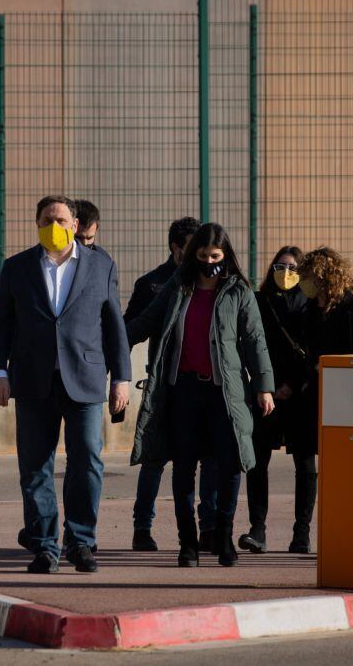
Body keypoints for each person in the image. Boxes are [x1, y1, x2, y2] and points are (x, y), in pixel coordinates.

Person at [0, 195, 130, 574]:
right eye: (48, 219)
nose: (56, 225)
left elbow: (114, 326)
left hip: (84, 379)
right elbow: (0, 323)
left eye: (63, 219)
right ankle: (45, 546)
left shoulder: (102, 266)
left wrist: (122, 378)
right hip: (32, 380)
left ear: (76, 224)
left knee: (87, 461)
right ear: (37, 223)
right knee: (35, 467)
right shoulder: (17, 267)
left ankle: (81, 542)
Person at [126, 222, 275, 568]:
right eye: (204, 256)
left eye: (216, 256)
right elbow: (144, 322)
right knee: (183, 467)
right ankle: (187, 542)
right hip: (184, 390)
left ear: (226, 256)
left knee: (230, 462)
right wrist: (110, 345)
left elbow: (256, 341)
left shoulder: (239, 291)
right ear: (193, 256)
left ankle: (223, 534)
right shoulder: (179, 286)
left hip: (225, 391)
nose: (210, 262)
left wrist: (264, 387)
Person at [124, 216, 220, 553]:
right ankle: (142, 528)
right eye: (192, 249)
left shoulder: (215, 283)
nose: (200, 257)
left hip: (208, 385)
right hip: (165, 384)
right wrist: (115, 374)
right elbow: (130, 330)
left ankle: (209, 527)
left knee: (210, 458)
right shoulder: (153, 284)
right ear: (176, 248)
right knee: (154, 458)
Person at [294, 247, 353, 553]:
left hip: (347, 406)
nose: (303, 283)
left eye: (307, 277)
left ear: (325, 278)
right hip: (312, 399)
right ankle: (301, 533)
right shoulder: (308, 313)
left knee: (341, 472)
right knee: (304, 464)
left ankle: (344, 533)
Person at [238, 246, 309, 555]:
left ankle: (301, 533)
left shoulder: (308, 305)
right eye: (279, 266)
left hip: (300, 395)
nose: (285, 272)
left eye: (293, 268)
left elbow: (312, 348)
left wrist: (292, 385)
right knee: (257, 463)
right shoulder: (258, 301)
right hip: (264, 393)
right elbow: (249, 345)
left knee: (305, 464)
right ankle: (258, 529)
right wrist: (265, 385)